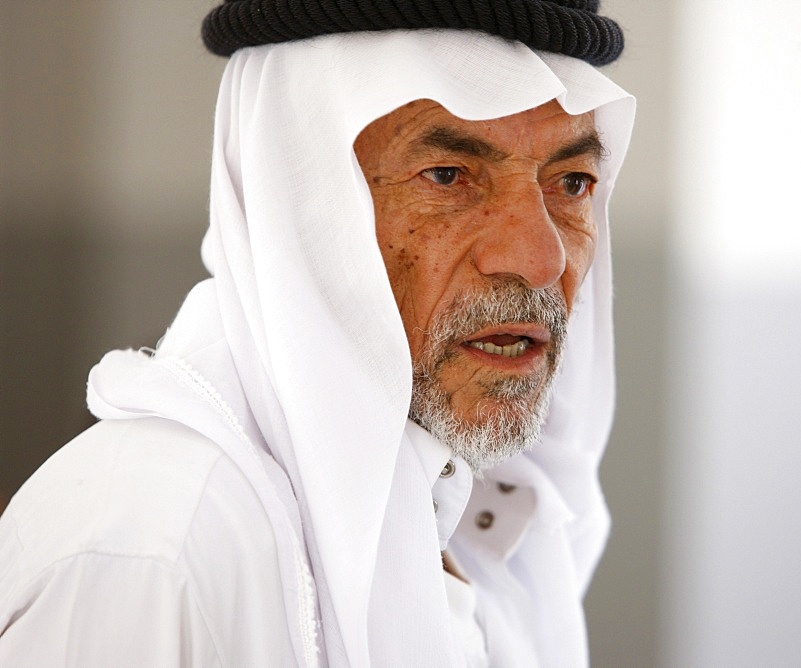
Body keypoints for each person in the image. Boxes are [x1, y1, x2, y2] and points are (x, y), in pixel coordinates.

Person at [0, 1, 634, 665]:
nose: (541, 259)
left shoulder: (477, 515)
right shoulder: (155, 551)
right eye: (447, 177)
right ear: (299, 205)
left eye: (571, 182)